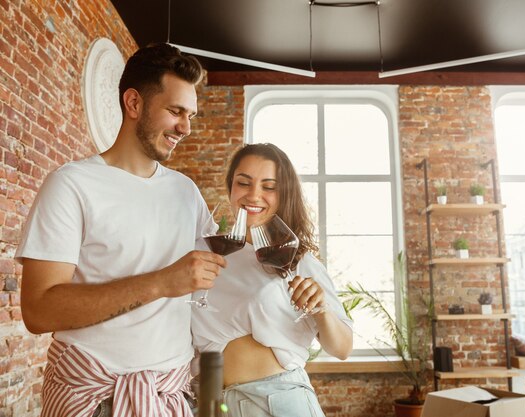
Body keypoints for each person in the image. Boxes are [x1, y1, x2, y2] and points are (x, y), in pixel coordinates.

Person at [15, 43, 226, 417]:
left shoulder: (185, 192)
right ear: (133, 103)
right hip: (93, 399)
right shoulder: (72, 184)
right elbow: (38, 310)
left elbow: (224, 270)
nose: (186, 127)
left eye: (190, 115)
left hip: (169, 398)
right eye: (176, 111)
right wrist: (162, 283)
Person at [191, 143, 353, 417]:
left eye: (269, 186)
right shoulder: (207, 252)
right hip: (211, 404)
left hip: (276, 402)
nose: (254, 195)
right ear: (231, 187)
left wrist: (321, 309)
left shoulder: (299, 260)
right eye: (244, 182)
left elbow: (342, 348)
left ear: (284, 194)